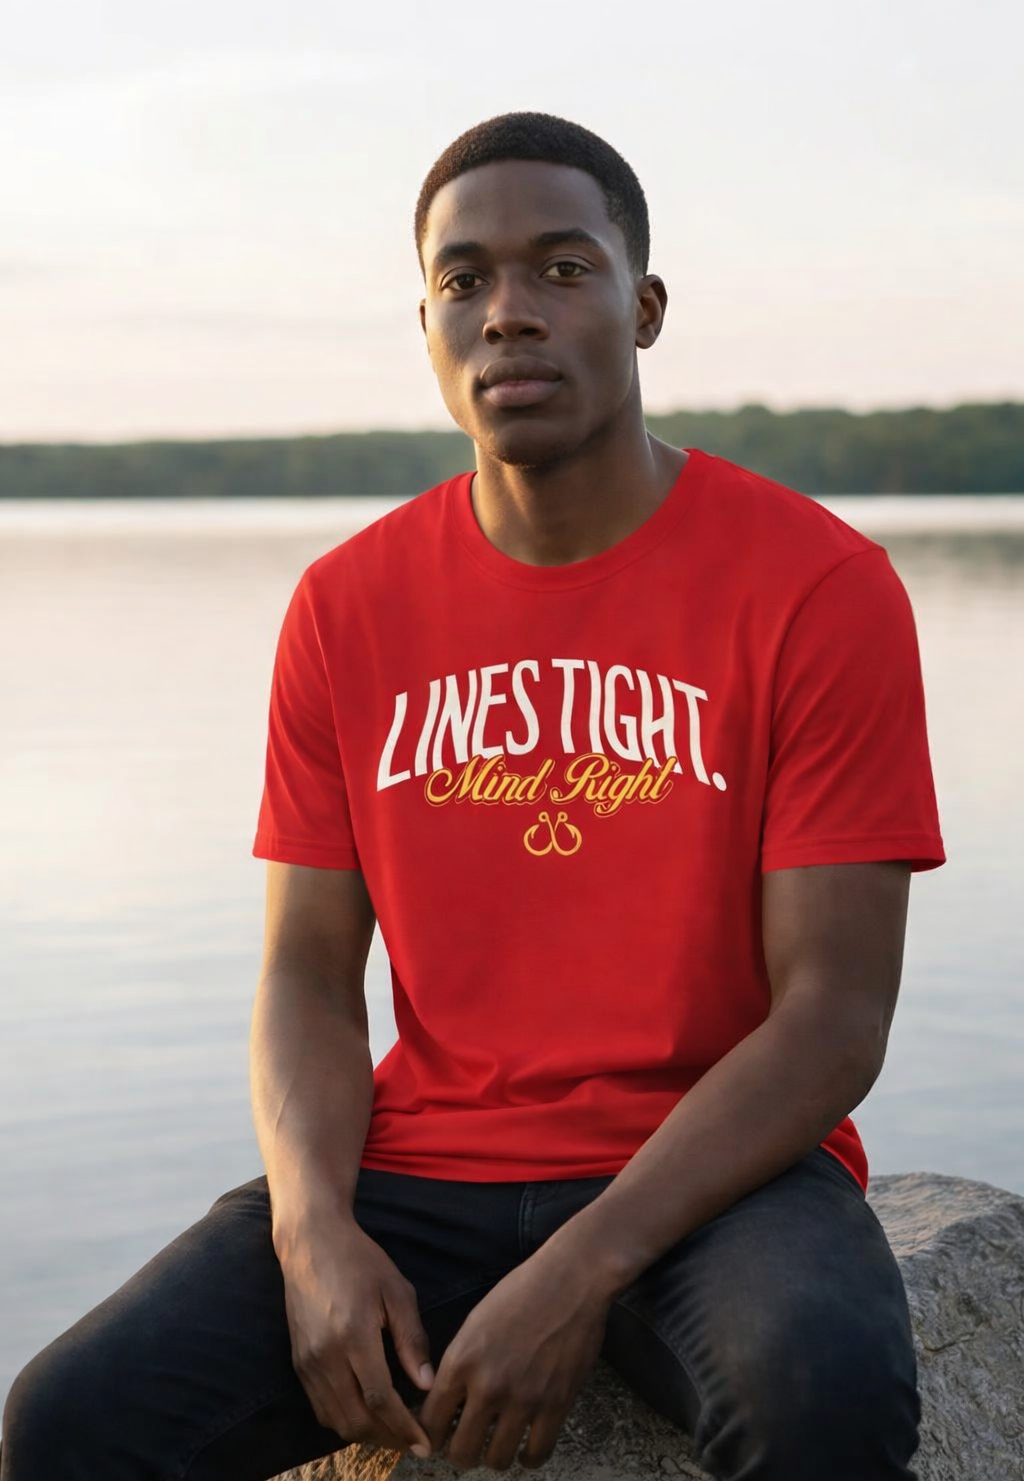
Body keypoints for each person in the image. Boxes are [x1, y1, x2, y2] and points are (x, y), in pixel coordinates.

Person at [1, 111, 946, 1481]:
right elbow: (308, 979)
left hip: (713, 1182)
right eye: (465, 281)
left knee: (821, 1389)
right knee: (71, 1422)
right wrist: (315, 1234)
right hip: (421, 1173)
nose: (509, 314)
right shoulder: (347, 606)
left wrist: (585, 1267)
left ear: (647, 307)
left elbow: (835, 1018)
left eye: (564, 270)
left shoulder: (817, 588)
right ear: (430, 327)